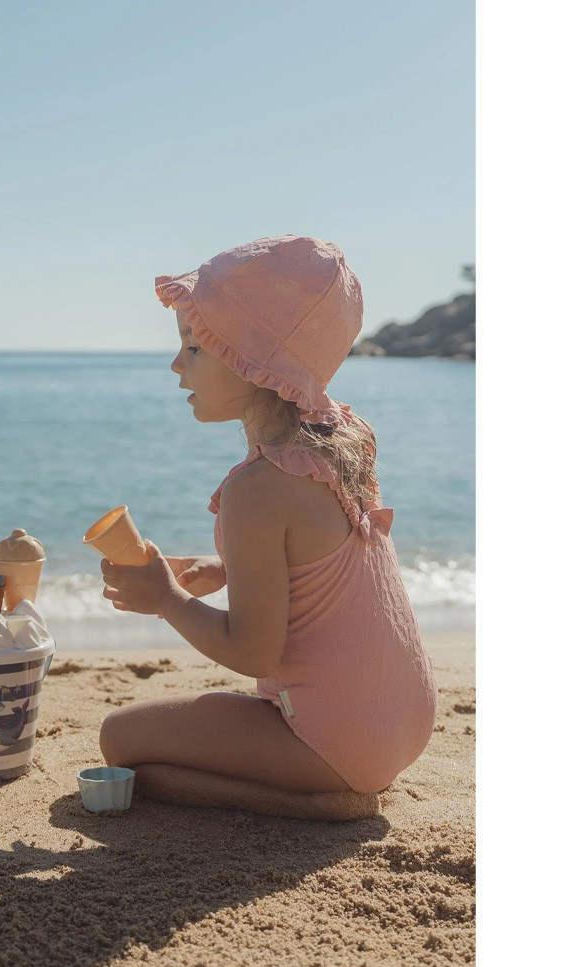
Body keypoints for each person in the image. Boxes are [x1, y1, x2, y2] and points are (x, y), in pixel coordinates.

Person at [97, 236, 438, 821]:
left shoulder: (253, 490)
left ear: (253, 361)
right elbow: (319, 554)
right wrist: (224, 570)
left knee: (121, 742)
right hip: (405, 723)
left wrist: (167, 600)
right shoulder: (342, 437)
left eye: (195, 346)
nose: (178, 363)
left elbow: (253, 652)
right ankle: (332, 784)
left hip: (332, 744)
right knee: (146, 753)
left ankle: (321, 804)